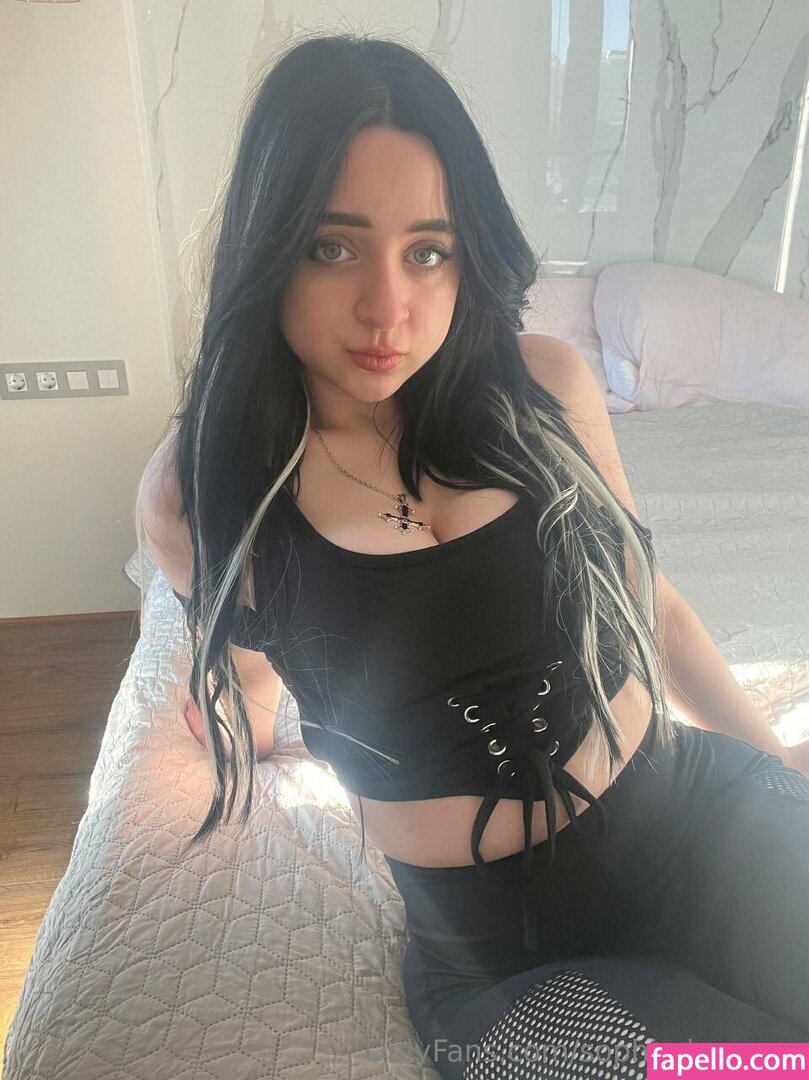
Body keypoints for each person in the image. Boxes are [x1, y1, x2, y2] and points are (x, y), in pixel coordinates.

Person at [137, 33, 809, 1078]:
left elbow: (649, 605)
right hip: (505, 960)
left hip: (695, 816)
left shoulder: (544, 386)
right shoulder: (204, 492)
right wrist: (240, 721)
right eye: (332, 248)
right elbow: (256, 661)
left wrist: (773, 762)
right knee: (756, 1069)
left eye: (426, 251)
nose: (386, 307)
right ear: (269, 249)